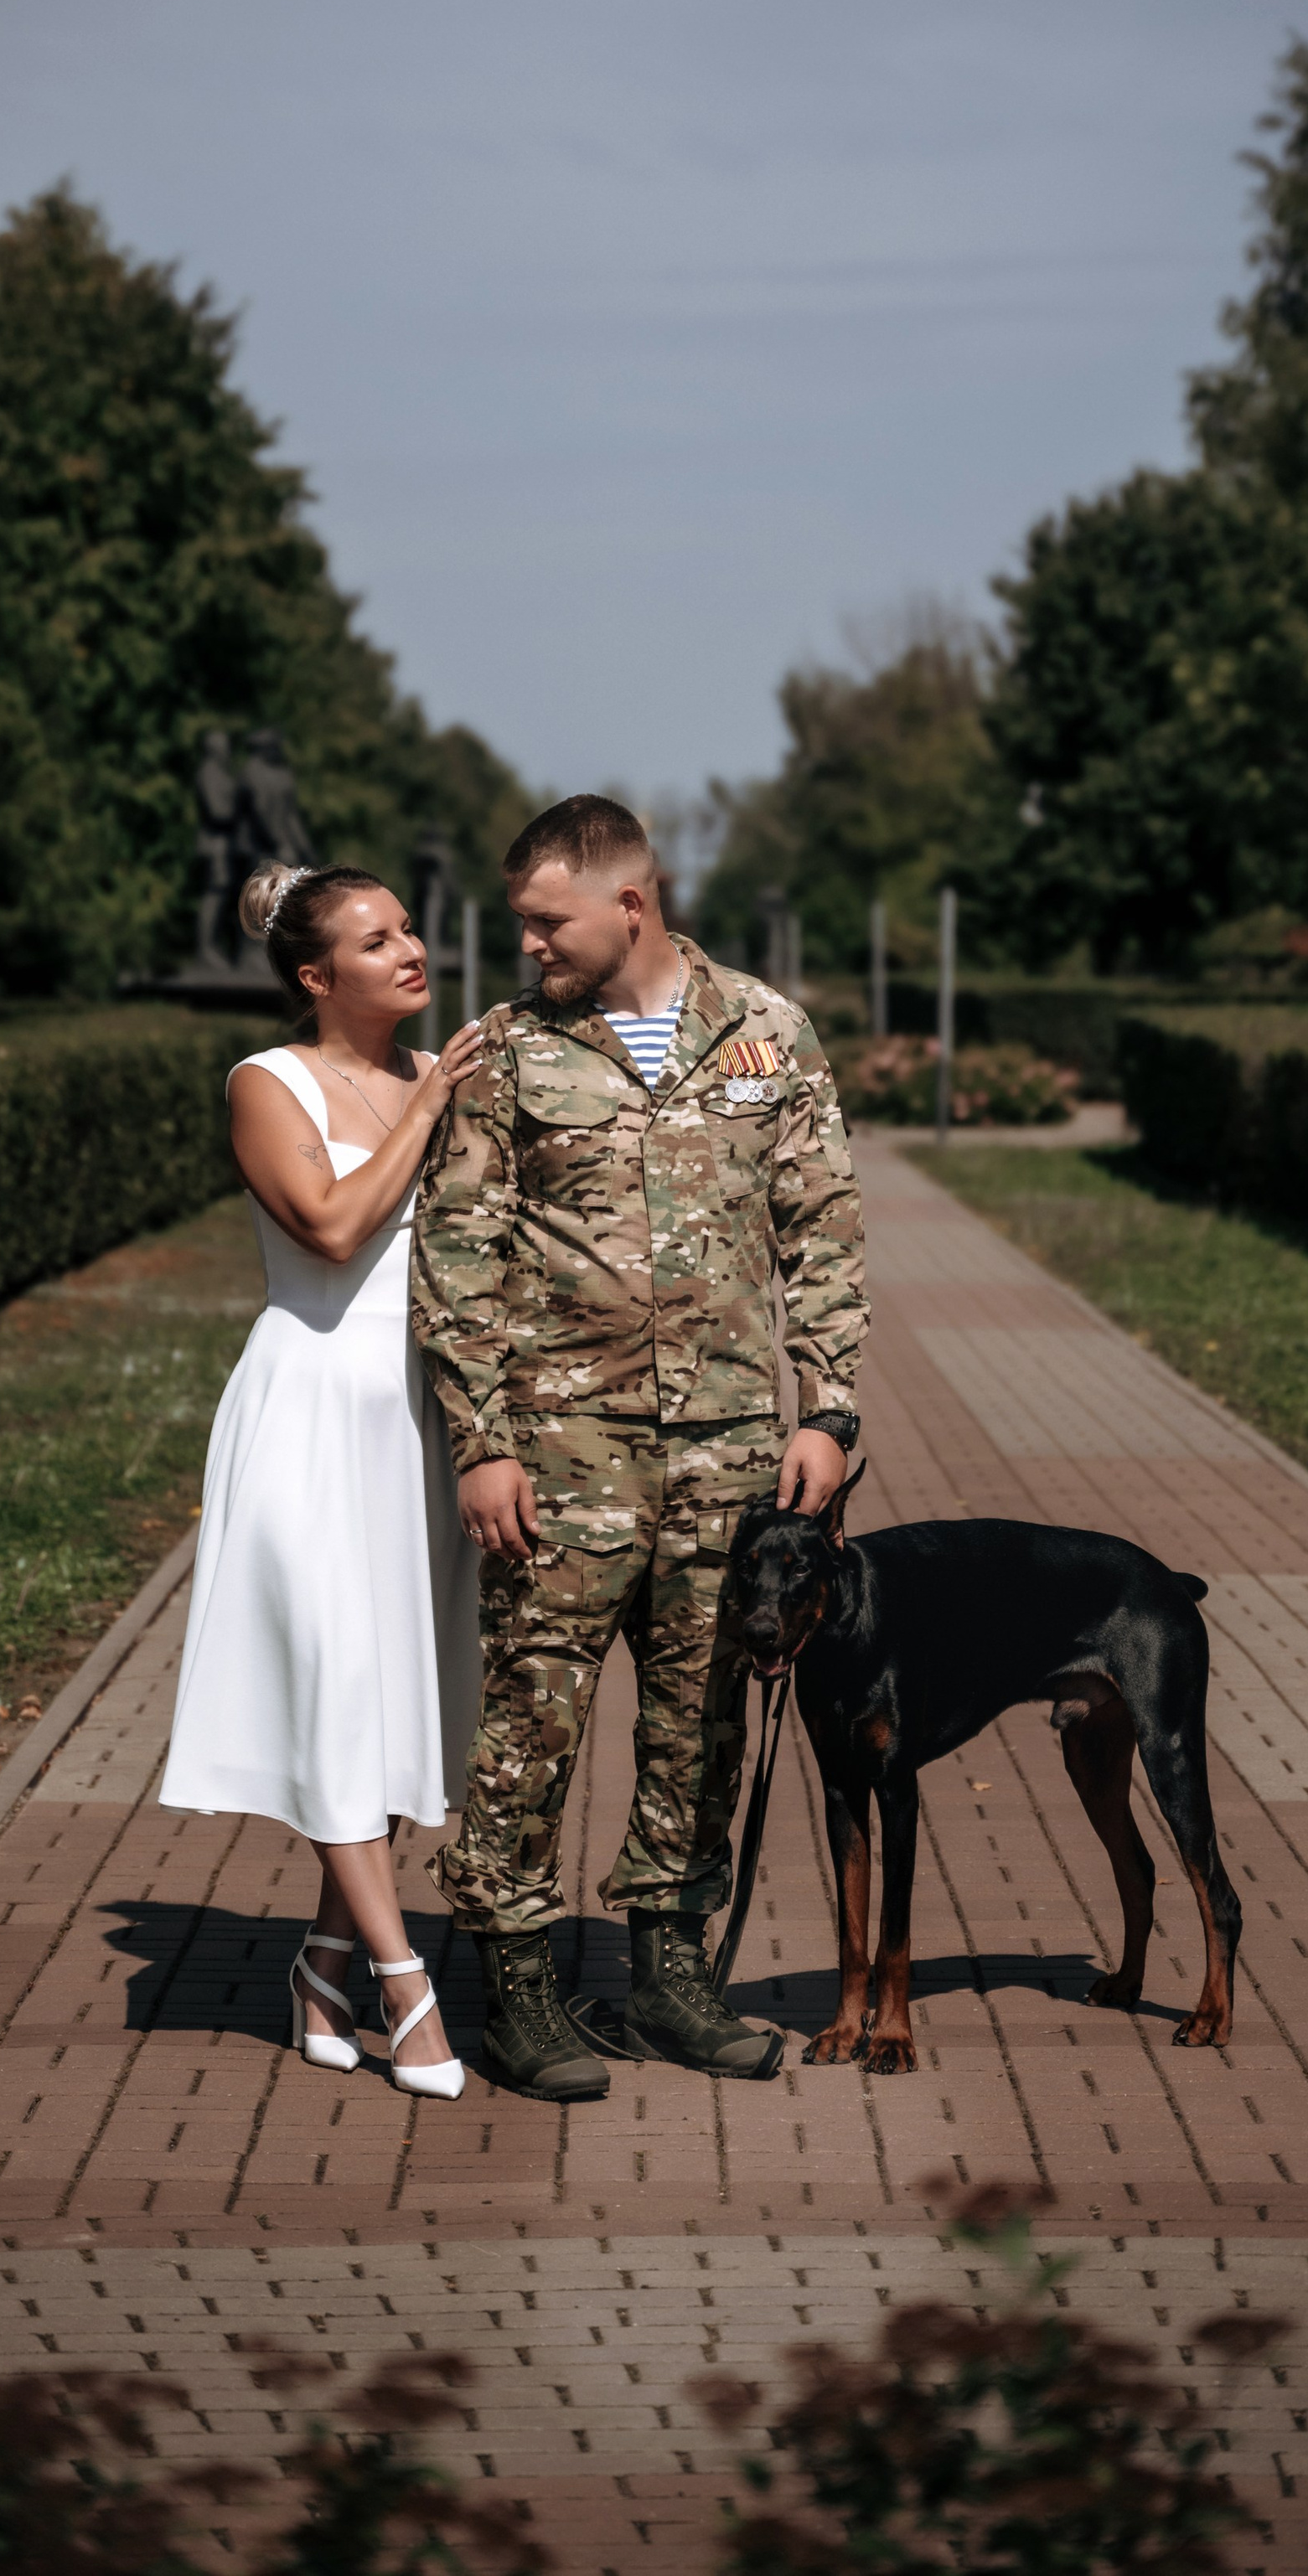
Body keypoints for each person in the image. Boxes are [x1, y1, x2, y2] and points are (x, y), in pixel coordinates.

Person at [411, 795, 869, 2101]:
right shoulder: (508, 1054)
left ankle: (670, 1980)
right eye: (521, 924)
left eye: (546, 922)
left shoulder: (766, 1033)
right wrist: (482, 1443)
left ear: (631, 901)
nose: (529, 945)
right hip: (562, 1454)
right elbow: (459, 1252)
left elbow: (823, 1229)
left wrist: (829, 1410)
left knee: (700, 1723)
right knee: (532, 1719)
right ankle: (517, 1991)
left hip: (732, 1452)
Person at [160, 860, 483, 2098]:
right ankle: (408, 1989)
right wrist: (429, 1103)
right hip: (308, 1411)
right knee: (341, 1688)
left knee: (393, 1703)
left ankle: (322, 1964)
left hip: (414, 1423)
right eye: (375, 939)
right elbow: (336, 1228)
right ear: (315, 975)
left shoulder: (439, 1074)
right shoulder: (267, 1083)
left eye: (408, 928)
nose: (409, 950)